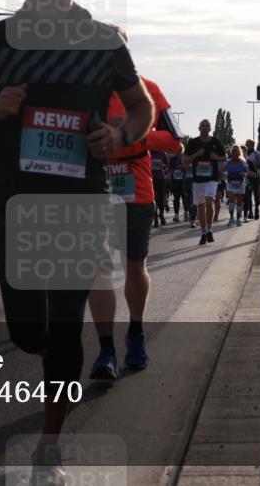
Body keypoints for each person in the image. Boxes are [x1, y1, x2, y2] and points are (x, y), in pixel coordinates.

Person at [0, 0, 153, 483]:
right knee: (28, 332)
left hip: (78, 201)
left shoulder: (104, 42)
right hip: (17, 200)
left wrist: (119, 134)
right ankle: (43, 354)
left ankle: (50, 445)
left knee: (64, 330)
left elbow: (142, 107)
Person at [89, 77, 181, 379]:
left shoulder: (148, 89)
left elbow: (173, 141)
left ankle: (136, 332)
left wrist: (133, 137)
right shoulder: (87, 88)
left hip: (135, 189)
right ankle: (106, 349)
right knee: (98, 269)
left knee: (133, 266)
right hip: (93, 186)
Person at [183, 120, 226, 245]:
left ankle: (210, 229)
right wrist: (197, 154)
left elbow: (225, 157)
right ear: (199, 128)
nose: (205, 128)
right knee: (200, 207)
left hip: (212, 178)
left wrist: (216, 158)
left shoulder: (215, 142)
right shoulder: (193, 142)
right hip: (198, 179)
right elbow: (185, 160)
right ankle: (203, 232)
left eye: (207, 126)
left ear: (210, 128)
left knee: (209, 200)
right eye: (203, 126)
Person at [224, 146, 248, 226]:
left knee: (239, 202)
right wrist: (224, 174)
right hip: (230, 183)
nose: (234, 154)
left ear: (238, 154)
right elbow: (222, 171)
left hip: (240, 183)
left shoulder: (243, 163)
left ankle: (238, 219)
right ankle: (231, 218)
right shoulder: (227, 162)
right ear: (231, 154)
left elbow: (247, 172)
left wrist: (244, 174)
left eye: (236, 153)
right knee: (231, 200)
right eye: (233, 153)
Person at [150, 149, 169, 228]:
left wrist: (163, 166)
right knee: (153, 199)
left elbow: (167, 166)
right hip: (151, 179)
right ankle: (155, 219)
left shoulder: (162, 152)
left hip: (161, 179)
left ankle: (161, 214)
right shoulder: (148, 152)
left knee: (160, 199)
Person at [168, 151, 186, 222]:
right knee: (178, 198)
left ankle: (183, 213)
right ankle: (178, 215)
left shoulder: (184, 157)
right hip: (177, 181)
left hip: (181, 181)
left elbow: (187, 167)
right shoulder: (173, 158)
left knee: (180, 198)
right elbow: (170, 170)